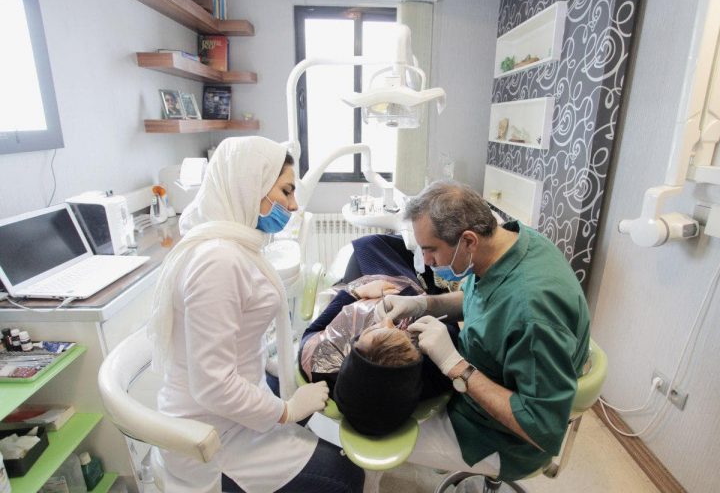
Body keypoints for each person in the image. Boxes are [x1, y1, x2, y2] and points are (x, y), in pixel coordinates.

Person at [147, 136, 364, 492]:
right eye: (286, 191)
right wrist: (286, 412)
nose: (293, 205)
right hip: (212, 438)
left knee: (313, 403)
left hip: (231, 406)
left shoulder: (236, 243)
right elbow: (213, 385)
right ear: (250, 185)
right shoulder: (218, 261)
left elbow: (238, 340)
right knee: (345, 476)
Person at [376, 180, 591, 483]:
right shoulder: (511, 244)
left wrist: (456, 366)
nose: (426, 261)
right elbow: (482, 300)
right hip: (483, 381)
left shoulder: (533, 312)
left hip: (500, 437)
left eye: (430, 250)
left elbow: (542, 428)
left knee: (379, 437)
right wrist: (423, 304)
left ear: (468, 241)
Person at [299, 276, 455, 436]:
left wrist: (356, 293)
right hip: (412, 296)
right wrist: (420, 304)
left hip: (374, 296)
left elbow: (310, 333)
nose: (387, 321)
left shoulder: (320, 364)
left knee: (359, 258)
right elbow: (452, 326)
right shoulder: (434, 370)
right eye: (402, 336)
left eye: (372, 330)